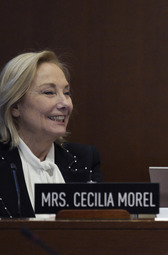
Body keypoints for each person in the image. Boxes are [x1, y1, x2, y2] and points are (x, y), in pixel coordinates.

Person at [0, 50, 103, 218]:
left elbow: (99, 232)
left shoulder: (85, 159)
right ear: (15, 106)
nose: (65, 103)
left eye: (67, 93)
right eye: (49, 92)